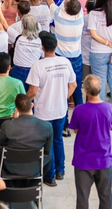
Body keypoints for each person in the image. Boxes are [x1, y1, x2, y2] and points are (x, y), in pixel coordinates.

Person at [26, 32, 76, 186]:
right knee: (57, 139)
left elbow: (33, 91)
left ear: (42, 47)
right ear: (56, 46)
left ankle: (50, 175)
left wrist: (24, 102)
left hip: (44, 112)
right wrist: (63, 97)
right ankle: (60, 170)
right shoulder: (65, 62)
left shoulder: (38, 65)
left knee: (46, 144)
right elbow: (73, 85)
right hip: (61, 110)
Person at [69, 75, 112, 209]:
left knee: (82, 198)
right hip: (104, 159)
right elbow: (111, 128)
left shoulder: (79, 110)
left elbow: (75, 129)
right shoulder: (110, 109)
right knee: (106, 196)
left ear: (86, 91)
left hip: (83, 160)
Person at [0, 93, 53, 177]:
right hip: (35, 166)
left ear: (16, 108)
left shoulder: (8, 124)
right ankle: (39, 178)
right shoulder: (47, 126)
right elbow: (47, 150)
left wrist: (12, 120)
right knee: (50, 156)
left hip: (11, 166)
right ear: (32, 105)